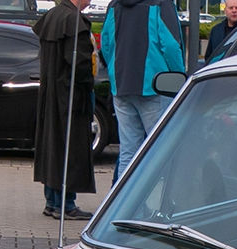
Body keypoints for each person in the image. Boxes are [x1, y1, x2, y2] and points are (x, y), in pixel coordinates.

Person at [102, 0, 183, 181]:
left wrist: (116, 72)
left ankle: (124, 205)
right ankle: (158, 206)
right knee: (160, 152)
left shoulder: (114, 4)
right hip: (155, 86)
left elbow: (106, 44)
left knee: (128, 154)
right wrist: (179, 79)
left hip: (122, 85)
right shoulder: (161, 3)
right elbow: (170, 46)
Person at [33, 0, 96, 219]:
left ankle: (52, 201)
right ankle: (66, 204)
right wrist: (88, 85)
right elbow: (79, 64)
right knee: (70, 148)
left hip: (51, 93)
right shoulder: (74, 21)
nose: (90, 2)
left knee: (53, 146)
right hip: (70, 96)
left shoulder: (52, 16)